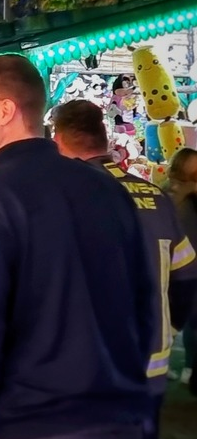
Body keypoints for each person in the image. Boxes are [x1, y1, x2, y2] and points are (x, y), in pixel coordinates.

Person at [0, 55, 153, 439]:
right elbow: (144, 310)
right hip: (121, 418)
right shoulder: (107, 189)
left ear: (5, 111)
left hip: (29, 422)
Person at [52, 99, 197, 437]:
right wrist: (169, 327)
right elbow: (187, 276)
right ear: (103, 136)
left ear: (58, 140)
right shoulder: (155, 196)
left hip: (90, 366)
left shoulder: (66, 194)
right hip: (151, 364)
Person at [166, 147, 197, 391]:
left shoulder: (164, 191)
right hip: (189, 264)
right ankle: (190, 368)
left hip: (167, 264)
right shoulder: (186, 196)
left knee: (170, 318)